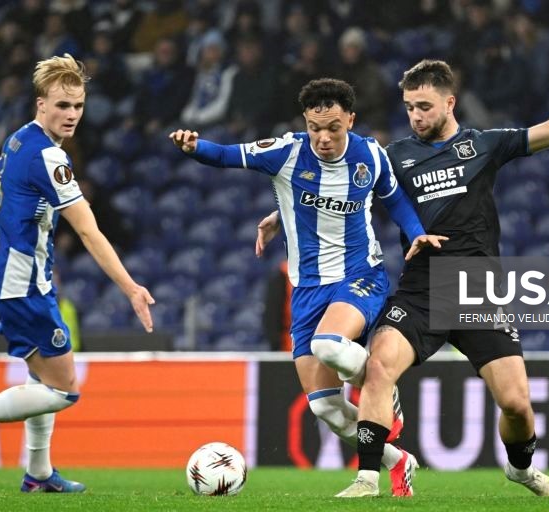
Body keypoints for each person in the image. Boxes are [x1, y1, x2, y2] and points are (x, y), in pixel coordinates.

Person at [334, 56, 549, 497]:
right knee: (379, 366)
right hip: (421, 289)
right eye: (409, 106)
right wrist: (280, 216)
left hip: (476, 292)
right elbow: (339, 190)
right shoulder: (393, 158)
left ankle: (521, 470)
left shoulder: (483, 145)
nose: (415, 115)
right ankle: (368, 477)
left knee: (516, 404)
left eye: (424, 106)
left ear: (450, 102)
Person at [170, 78, 445, 497]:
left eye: (333, 127)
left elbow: (394, 199)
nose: (323, 137)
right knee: (327, 410)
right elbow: (229, 155)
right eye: (315, 127)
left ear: (350, 120)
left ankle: (383, 388)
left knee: (330, 345)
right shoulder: (287, 152)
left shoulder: (370, 154)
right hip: (306, 289)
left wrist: (417, 232)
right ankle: (398, 460)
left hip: (360, 276)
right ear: (305, 122)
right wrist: (195, 148)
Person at [0, 54, 154, 492]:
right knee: (64, 389)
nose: (71, 115)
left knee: (41, 377)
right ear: (40, 104)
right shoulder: (49, 158)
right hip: (20, 281)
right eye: (62, 105)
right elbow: (88, 231)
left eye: (78, 106)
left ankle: (39, 473)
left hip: (12, 272)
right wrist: (131, 288)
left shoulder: (18, 140)